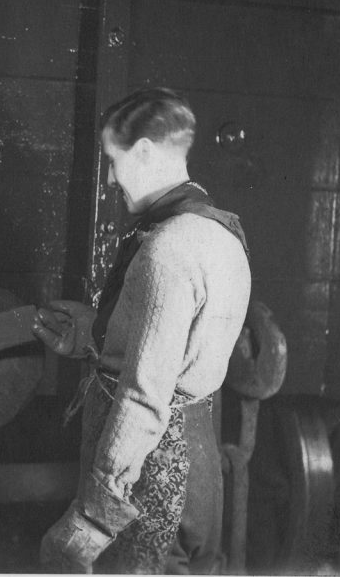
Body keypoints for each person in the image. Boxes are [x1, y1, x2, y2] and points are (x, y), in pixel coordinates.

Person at [33, 88, 251, 574]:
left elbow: (147, 393)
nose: (111, 178)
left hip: (150, 473)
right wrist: (93, 333)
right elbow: (183, 352)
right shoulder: (219, 230)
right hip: (196, 458)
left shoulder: (167, 249)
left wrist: (93, 512)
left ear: (146, 152)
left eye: (114, 160)